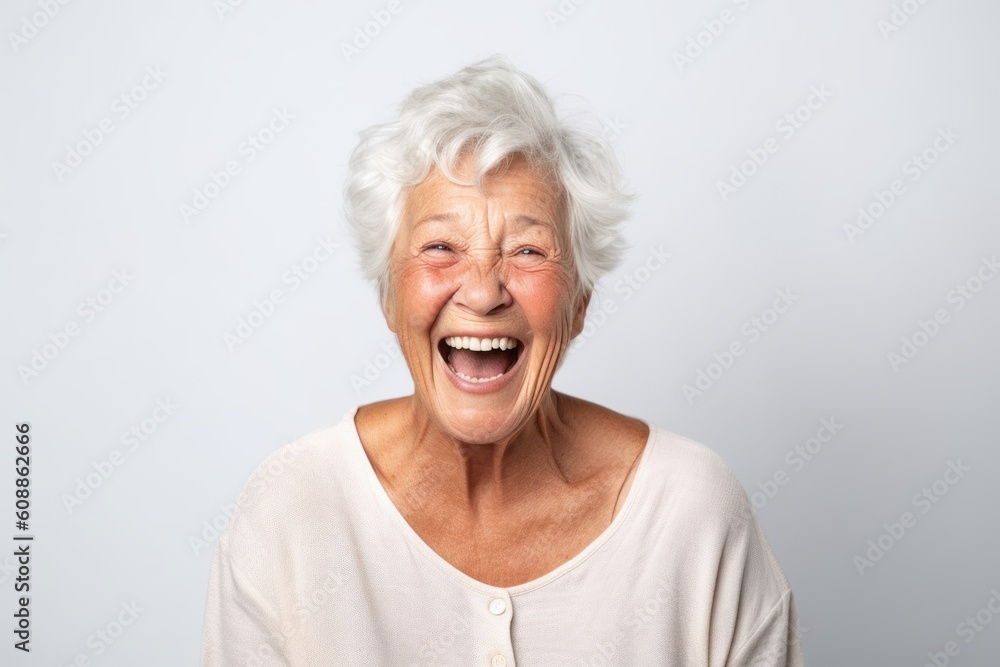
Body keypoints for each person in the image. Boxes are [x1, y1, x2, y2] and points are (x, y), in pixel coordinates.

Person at [201, 55, 804, 666]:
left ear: (577, 306)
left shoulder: (692, 514)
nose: (484, 291)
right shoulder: (293, 509)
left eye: (527, 250)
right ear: (389, 294)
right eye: (441, 247)